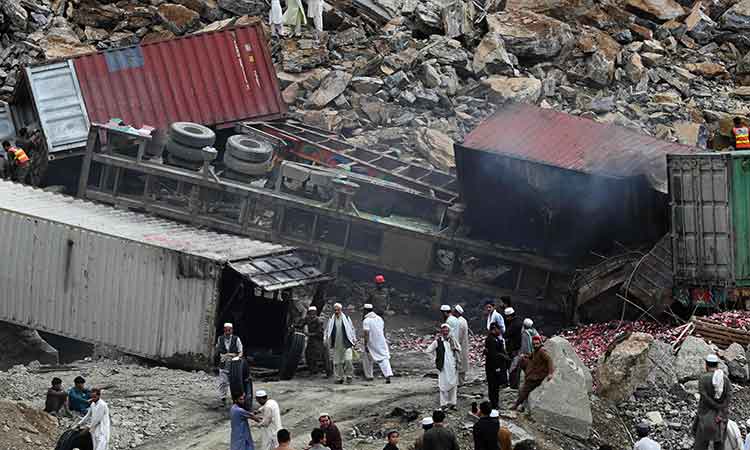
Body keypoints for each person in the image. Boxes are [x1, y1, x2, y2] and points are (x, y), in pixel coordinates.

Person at [694, 354, 732, 450]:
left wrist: (715, 405)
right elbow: (728, 397)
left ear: (706, 365)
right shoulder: (725, 379)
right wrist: (721, 409)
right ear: (717, 365)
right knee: (719, 445)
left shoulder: (703, 378)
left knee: (701, 445)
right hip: (720, 416)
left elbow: (704, 396)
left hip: (704, 416)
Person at [512, 335, 554, 411]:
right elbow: (530, 356)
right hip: (534, 372)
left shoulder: (542, 351)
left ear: (540, 343)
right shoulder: (536, 351)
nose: (535, 345)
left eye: (537, 344)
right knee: (522, 361)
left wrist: (550, 373)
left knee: (525, 390)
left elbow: (549, 360)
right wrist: (524, 356)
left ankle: (516, 405)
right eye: (534, 344)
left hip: (538, 376)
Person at [425, 324, 461, 410]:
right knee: (443, 385)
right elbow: (428, 351)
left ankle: (453, 403)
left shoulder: (453, 340)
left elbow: (459, 349)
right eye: (443, 331)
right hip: (443, 367)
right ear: (441, 332)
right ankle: (444, 404)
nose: (445, 332)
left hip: (453, 366)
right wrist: (435, 359)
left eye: (447, 331)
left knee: (453, 385)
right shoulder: (437, 342)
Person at [324, 303, 356, 384]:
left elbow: (351, 329)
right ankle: (339, 378)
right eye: (335, 310)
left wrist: (354, 339)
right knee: (337, 362)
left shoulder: (346, 318)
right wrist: (325, 339)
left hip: (346, 343)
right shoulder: (331, 319)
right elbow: (328, 330)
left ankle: (349, 376)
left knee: (348, 360)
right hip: (336, 344)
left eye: (338, 310)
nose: (336, 311)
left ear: (341, 310)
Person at [362, 304, 393, 383]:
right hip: (381, 341)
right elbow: (382, 329)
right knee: (384, 358)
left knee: (367, 358)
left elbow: (366, 333)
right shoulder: (379, 318)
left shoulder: (366, 320)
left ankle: (369, 376)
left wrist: (365, 344)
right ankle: (388, 374)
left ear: (365, 311)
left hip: (372, 342)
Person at [216, 322, 244, 405]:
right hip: (223, 363)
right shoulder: (220, 338)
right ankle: (222, 398)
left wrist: (235, 356)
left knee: (234, 382)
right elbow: (218, 349)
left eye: (229, 329)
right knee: (223, 382)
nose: (228, 331)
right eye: (226, 329)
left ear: (232, 330)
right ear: (224, 329)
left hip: (234, 365)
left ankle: (235, 398)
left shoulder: (236, 339)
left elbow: (240, 351)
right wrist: (222, 356)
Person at [302, 306, 330, 376]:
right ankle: (313, 370)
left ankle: (328, 371)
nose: (311, 314)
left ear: (315, 313)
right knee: (308, 354)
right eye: (310, 313)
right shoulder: (307, 319)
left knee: (323, 356)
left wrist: (309, 334)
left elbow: (320, 333)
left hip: (318, 340)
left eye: (313, 313)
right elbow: (301, 323)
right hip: (311, 340)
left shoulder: (318, 321)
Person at [485, 323, 507, 409]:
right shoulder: (490, 340)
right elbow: (493, 355)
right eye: (498, 329)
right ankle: (493, 404)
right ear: (494, 329)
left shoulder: (496, 338)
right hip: (492, 367)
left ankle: (496, 403)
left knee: (496, 387)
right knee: (493, 386)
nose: (500, 331)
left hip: (496, 366)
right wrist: (497, 368)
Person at [503, 308, 522, 389]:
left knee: (513, 368)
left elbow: (506, 334)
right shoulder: (518, 322)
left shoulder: (514, 324)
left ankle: (513, 385)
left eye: (507, 317)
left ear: (511, 316)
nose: (506, 319)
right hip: (516, 347)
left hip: (514, 348)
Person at [453, 305, 470, 385]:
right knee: (462, 364)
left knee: (460, 364)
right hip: (463, 345)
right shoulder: (463, 320)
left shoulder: (459, 322)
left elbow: (458, 337)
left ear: (457, 312)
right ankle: (460, 382)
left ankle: (459, 383)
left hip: (460, 346)